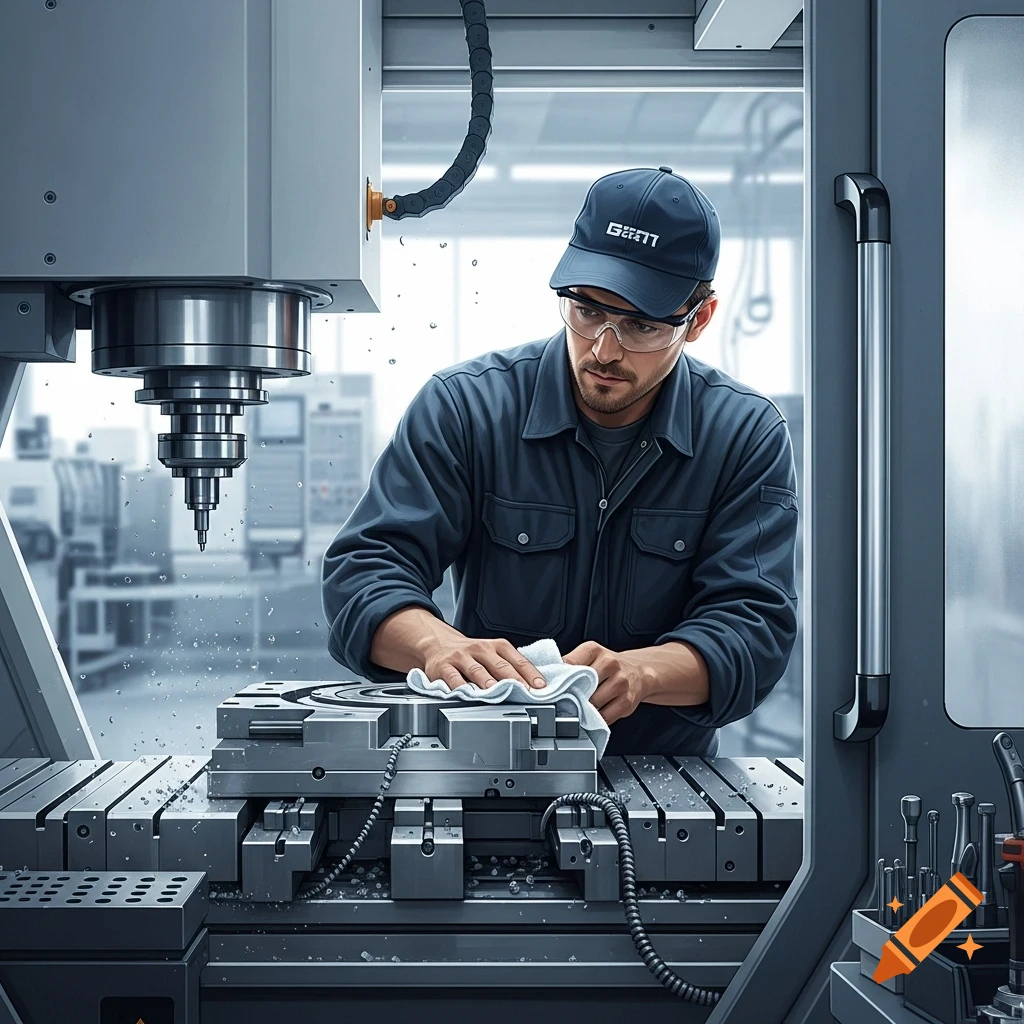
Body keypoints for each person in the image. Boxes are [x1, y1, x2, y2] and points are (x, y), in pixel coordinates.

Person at [322, 166, 798, 758]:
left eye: (641, 325)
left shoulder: (744, 435)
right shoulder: (467, 409)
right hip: (482, 771)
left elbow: (753, 629)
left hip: (662, 784)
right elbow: (364, 569)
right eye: (588, 310)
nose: (604, 349)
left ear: (697, 319)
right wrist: (434, 644)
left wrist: (641, 674)